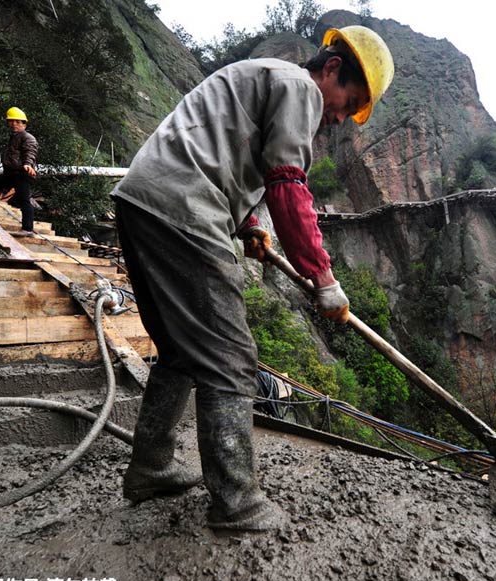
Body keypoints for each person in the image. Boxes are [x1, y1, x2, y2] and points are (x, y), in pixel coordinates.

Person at [111, 26, 394, 531]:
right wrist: (322, 275)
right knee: (230, 357)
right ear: (331, 69)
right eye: (347, 101)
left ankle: (150, 466)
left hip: (144, 201)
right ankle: (237, 502)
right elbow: (287, 183)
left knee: (181, 352)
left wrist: (247, 226)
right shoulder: (301, 88)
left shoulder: (264, 79)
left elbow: (223, 154)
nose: (338, 118)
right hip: (185, 212)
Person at [0, 107, 38, 236]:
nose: (14, 124)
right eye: (11, 121)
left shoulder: (28, 138)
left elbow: (30, 152)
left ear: (24, 124)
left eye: (17, 121)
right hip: (10, 174)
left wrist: (27, 164)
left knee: (24, 199)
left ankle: (28, 229)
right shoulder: (14, 137)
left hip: (22, 174)